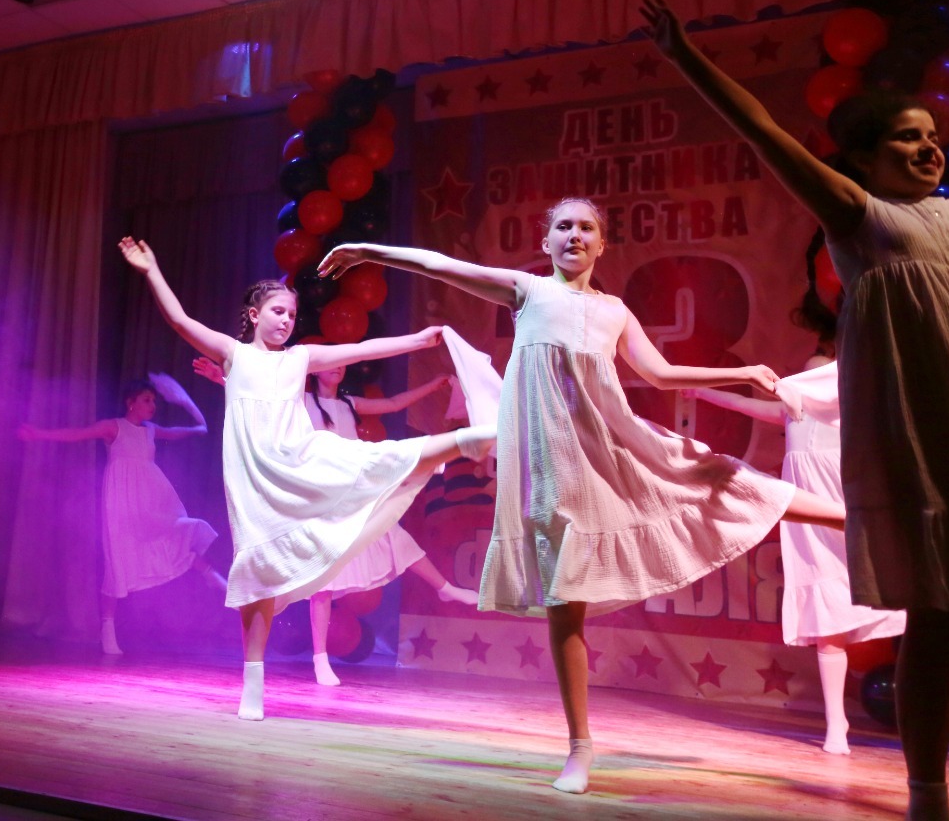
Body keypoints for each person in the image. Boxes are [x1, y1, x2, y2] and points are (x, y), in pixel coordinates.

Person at [641, 0, 949, 820]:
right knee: (935, 619)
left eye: (932, 136)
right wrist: (685, 56)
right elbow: (762, 133)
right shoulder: (860, 218)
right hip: (926, 433)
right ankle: (927, 793)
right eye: (907, 138)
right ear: (865, 159)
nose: (928, 147)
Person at [318, 198, 844, 794]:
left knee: (712, 476)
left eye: (586, 227)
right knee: (565, 604)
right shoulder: (527, 291)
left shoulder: (615, 311)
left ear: (601, 244)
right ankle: (580, 748)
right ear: (546, 243)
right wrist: (369, 250)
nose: (574, 235)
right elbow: (441, 266)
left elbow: (661, 374)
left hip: (611, 449)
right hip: (552, 469)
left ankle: (850, 520)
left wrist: (741, 373)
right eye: (563, 226)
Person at [118, 236, 494, 720]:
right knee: (257, 575)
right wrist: (151, 270)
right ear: (254, 314)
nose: (286, 321)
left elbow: (360, 349)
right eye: (277, 312)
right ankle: (253, 684)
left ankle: (463, 441)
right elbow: (179, 321)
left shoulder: (299, 359)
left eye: (292, 315)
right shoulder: (233, 355)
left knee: (373, 461)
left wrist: (418, 340)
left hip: (303, 457)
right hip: (256, 480)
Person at [683, 236, 905, 754]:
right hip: (805, 487)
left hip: (845, 482)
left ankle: (907, 712)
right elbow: (776, 410)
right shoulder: (817, 376)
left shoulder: (865, 375)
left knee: (883, 581)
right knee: (825, 599)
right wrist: (710, 393)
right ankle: (836, 726)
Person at [194, 358, 478, 684]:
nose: (338, 368)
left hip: (353, 489)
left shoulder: (349, 404)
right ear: (315, 370)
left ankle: (445, 588)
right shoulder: (301, 401)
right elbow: (261, 401)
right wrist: (223, 378)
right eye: (332, 364)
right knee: (323, 583)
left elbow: (394, 403)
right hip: (323, 495)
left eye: (342, 365)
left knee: (393, 535)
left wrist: (433, 384)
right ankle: (320, 658)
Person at [19, 373, 226, 656]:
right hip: (121, 502)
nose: (152, 405)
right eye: (146, 400)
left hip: (152, 498)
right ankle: (107, 630)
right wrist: (40, 434)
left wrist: (190, 411)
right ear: (131, 402)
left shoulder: (150, 430)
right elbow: (76, 434)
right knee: (117, 560)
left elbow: (187, 431)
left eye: (154, 401)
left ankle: (208, 573)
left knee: (175, 532)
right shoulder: (113, 427)